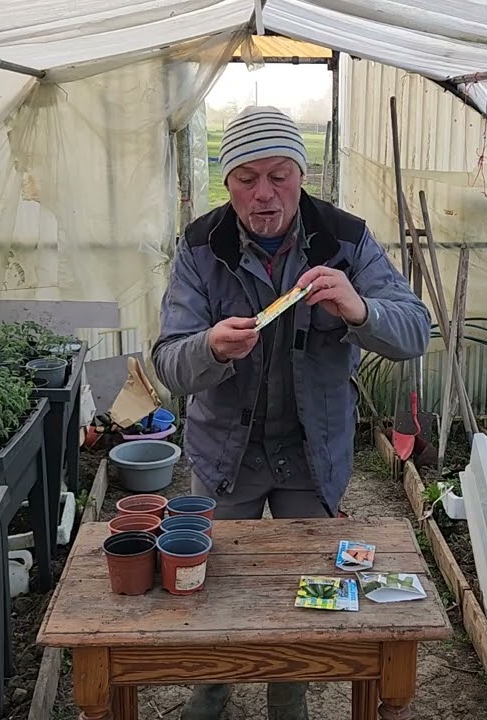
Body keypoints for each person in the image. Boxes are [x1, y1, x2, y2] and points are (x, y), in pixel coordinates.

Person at [151, 106, 431, 720]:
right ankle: (212, 690)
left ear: (302, 175)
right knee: (211, 581)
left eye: (279, 175)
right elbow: (169, 364)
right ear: (226, 184)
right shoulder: (202, 247)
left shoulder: (345, 239)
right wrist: (209, 349)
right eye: (246, 178)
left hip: (312, 451)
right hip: (225, 452)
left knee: (305, 589)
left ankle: (289, 698)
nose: (264, 194)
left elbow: (415, 331)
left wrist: (360, 311)